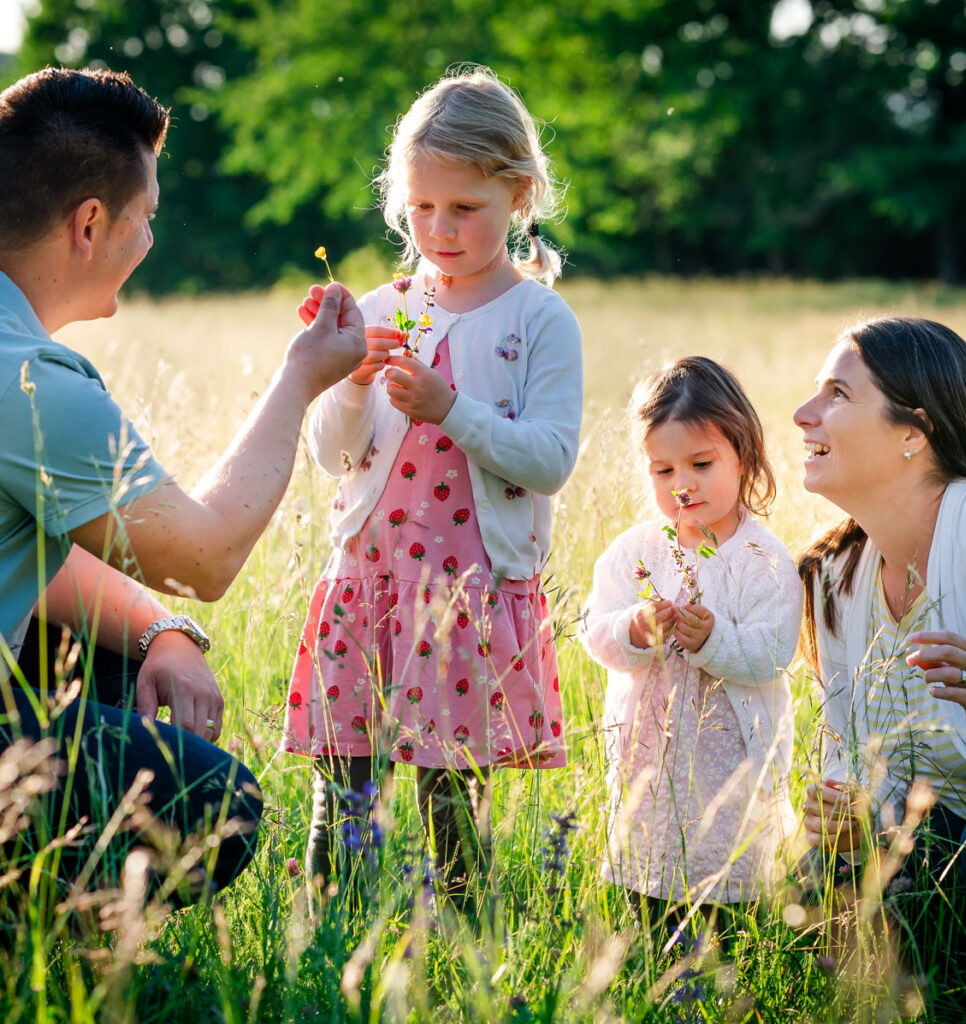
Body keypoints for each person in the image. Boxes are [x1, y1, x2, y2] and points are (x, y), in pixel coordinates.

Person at [0, 68, 366, 904]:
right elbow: (202, 558)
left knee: (101, 652)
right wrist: (301, 376)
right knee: (217, 804)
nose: (151, 241)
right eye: (148, 218)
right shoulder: (29, 382)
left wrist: (161, 630)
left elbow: (29, 553)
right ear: (89, 224)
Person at [283, 67, 583, 909]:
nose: (439, 229)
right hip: (368, 583)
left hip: (466, 590)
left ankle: (463, 949)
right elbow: (331, 455)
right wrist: (347, 383)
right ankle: (329, 944)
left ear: (518, 196)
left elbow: (551, 459)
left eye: (465, 208)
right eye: (421, 208)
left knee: (452, 809)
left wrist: (451, 409)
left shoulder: (538, 320)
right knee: (341, 796)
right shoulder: (386, 303)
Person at [795, 315, 966, 1012]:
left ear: (911, 436)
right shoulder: (835, 573)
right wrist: (838, 801)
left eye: (837, 393)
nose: (804, 414)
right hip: (923, 838)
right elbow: (846, 741)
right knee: (813, 876)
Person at [579, 357, 801, 943]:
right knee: (648, 880)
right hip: (649, 759)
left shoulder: (764, 560)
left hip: (733, 762)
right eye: (663, 470)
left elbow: (775, 652)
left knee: (726, 887)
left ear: (743, 456)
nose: (682, 484)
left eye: (702, 464)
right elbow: (594, 630)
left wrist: (716, 642)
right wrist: (633, 629)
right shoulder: (635, 553)